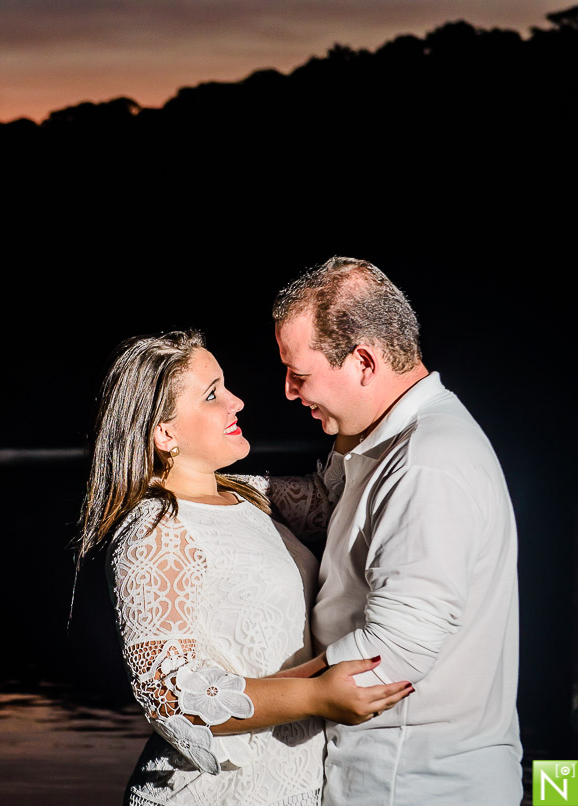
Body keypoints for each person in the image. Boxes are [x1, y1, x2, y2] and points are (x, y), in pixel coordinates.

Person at [76, 330, 413, 806]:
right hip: (213, 793)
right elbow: (168, 695)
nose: (236, 401)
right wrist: (318, 695)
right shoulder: (156, 529)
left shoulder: (248, 494)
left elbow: (340, 495)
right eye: (212, 394)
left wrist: (346, 388)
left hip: (297, 782)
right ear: (165, 432)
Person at [270, 256, 522, 805]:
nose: (290, 391)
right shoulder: (387, 441)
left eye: (301, 374)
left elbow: (395, 650)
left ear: (363, 361)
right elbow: (325, 505)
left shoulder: (428, 461)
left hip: (413, 785)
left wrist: (258, 701)